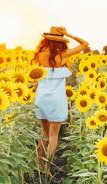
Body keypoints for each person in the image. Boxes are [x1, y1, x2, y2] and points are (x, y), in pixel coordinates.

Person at [32, 26, 89, 173]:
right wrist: (68, 34)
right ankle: (47, 168)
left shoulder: (39, 55)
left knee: (43, 134)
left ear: (46, 39)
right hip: (57, 100)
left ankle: (39, 164)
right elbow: (85, 44)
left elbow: (38, 77)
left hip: (41, 98)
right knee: (53, 135)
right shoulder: (62, 55)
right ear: (61, 41)